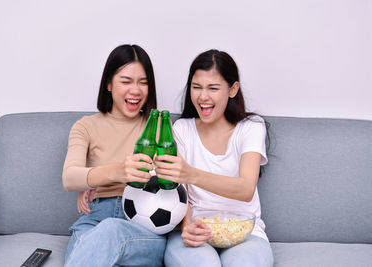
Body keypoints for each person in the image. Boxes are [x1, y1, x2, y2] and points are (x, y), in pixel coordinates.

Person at [154, 49, 274, 266]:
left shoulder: (251, 128)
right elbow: (182, 194)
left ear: (232, 89)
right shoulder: (182, 129)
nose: (203, 97)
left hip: (245, 231)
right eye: (196, 87)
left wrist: (190, 173)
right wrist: (187, 227)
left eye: (213, 88)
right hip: (196, 229)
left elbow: (246, 189)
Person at [62, 44, 166, 267]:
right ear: (109, 83)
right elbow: (70, 178)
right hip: (94, 218)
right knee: (96, 248)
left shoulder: (159, 127)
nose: (136, 90)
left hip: (144, 224)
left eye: (144, 82)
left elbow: (174, 182)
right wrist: (115, 172)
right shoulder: (86, 127)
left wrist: (92, 177)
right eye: (126, 81)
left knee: (110, 232)